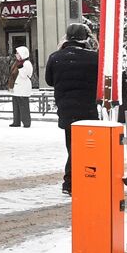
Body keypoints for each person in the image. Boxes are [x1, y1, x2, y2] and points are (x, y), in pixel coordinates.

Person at [45, 22, 99, 196]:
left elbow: (49, 81)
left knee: (72, 147)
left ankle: (70, 182)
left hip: (67, 109)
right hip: (88, 109)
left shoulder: (55, 57)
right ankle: (86, 179)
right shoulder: (94, 58)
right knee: (90, 148)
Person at [9, 45, 34, 128]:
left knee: (23, 106)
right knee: (16, 106)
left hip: (23, 88)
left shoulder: (27, 63)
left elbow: (26, 75)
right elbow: (12, 74)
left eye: (18, 53)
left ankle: (26, 122)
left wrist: (21, 68)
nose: (16, 55)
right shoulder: (17, 62)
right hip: (16, 88)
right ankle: (16, 121)